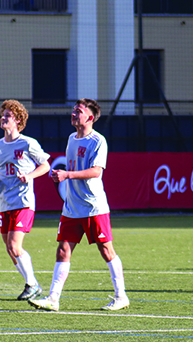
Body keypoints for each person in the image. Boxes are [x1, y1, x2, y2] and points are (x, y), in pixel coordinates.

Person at [28, 98, 129, 311]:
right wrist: (61, 175)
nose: (74, 113)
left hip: (93, 207)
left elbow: (96, 172)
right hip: (72, 208)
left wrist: (67, 174)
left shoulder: (98, 141)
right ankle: (53, 299)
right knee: (63, 250)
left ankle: (121, 297)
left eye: (79, 111)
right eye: (74, 110)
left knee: (106, 250)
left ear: (90, 117)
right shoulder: (71, 138)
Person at [0, 99, 50, 301]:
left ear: (18, 120)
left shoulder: (27, 143)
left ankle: (31, 285)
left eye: (8, 116)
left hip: (23, 202)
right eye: (3, 114)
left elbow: (45, 166)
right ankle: (33, 285)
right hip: (5, 202)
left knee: (15, 246)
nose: (3, 118)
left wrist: (29, 176)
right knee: (9, 248)